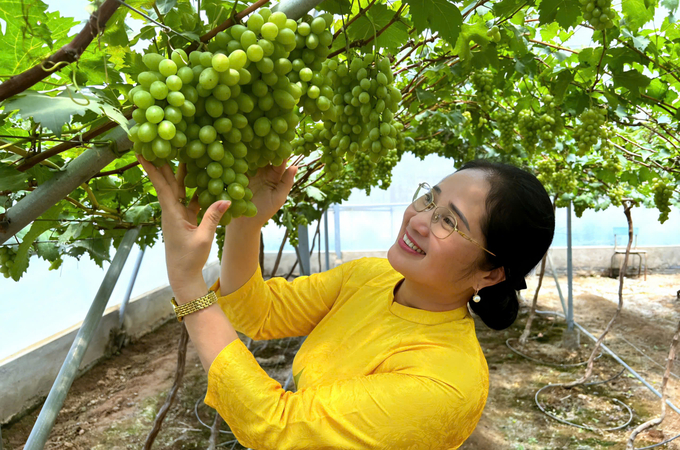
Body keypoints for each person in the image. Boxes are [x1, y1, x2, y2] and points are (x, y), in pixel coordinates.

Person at [136, 154, 555, 449]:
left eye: (449, 221)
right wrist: (248, 220)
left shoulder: (446, 383)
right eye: (430, 198)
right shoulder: (372, 277)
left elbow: (276, 426)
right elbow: (258, 312)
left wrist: (187, 282)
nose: (420, 219)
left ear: (491, 273)